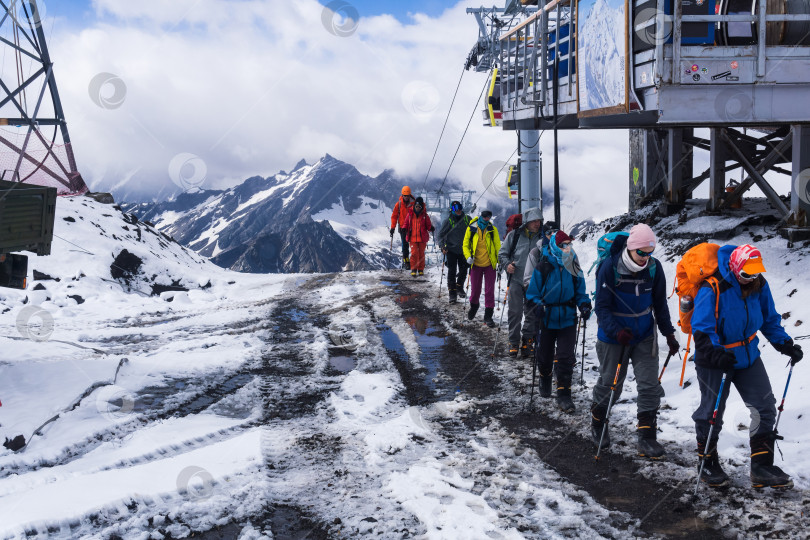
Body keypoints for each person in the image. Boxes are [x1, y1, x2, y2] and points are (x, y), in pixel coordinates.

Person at [691, 244, 803, 489]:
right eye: (746, 274)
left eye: (755, 273)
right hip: (715, 359)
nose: (750, 278)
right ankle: (707, 462)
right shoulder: (713, 289)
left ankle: (762, 466)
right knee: (712, 413)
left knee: (765, 407)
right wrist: (717, 354)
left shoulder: (759, 285)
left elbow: (769, 318)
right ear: (735, 267)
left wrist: (784, 344)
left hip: (748, 355)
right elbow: (702, 329)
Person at [591, 223, 680, 459]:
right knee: (611, 383)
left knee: (650, 385)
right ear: (631, 248)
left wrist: (669, 334)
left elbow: (660, 304)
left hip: (643, 336)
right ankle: (599, 421)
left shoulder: (653, 268)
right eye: (641, 252)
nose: (645, 257)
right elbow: (601, 307)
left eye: (649, 252)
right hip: (614, 338)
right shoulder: (610, 267)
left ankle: (647, 438)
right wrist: (616, 331)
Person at [524, 230, 591, 412]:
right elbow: (532, 293)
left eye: (569, 244)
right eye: (564, 244)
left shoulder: (573, 265)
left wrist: (584, 304)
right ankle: (545, 375)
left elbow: (580, 290)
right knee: (544, 355)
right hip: (546, 316)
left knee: (565, 357)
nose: (567, 248)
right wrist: (537, 305)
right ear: (555, 245)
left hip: (568, 317)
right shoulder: (543, 266)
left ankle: (564, 394)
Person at [498, 207, 543, 357]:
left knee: (531, 313)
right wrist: (507, 265)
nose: (537, 223)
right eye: (534, 221)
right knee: (515, 312)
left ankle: (527, 341)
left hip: (534, 282)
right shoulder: (514, 235)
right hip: (516, 279)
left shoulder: (543, 238)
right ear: (527, 222)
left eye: (539, 221)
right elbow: (502, 254)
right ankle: (513, 341)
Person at [462, 210, 501, 328]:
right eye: (485, 217)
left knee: (489, 291)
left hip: (490, 264)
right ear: (481, 217)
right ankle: (474, 306)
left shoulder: (492, 230)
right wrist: (468, 256)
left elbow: (498, 247)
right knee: (475, 290)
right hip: (476, 264)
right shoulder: (472, 228)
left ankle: (488, 316)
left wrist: (500, 262)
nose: (486, 219)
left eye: (488, 217)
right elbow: (465, 245)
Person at [438, 200, 471, 303]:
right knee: (452, 271)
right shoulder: (448, 221)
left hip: (464, 250)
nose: (458, 210)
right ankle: (452, 293)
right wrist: (442, 246)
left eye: (460, 208)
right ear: (452, 210)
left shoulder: (467, 219)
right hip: (451, 249)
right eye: (456, 209)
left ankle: (459, 287)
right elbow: (440, 236)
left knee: (464, 270)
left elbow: (473, 232)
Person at [402, 197, 433, 277]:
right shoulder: (410, 214)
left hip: (422, 238)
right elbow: (406, 223)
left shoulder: (425, 216)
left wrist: (431, 228)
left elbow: (428, 225)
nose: (418, 208)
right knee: (414, 253)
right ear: (414, 206)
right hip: (413, 238)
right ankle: (414, 268)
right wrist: (404, 228)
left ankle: (420, 269)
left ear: (421, 207)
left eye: (419, 207)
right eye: (416, 206)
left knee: (421, 254)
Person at [390, 186, 415, 268]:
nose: (406, 197)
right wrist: (392, 228)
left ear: (409, 195)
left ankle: (414, 261)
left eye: (407, 195)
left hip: (412, 227)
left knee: (414, 244)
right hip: (402, 228)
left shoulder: (414, 204)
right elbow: (394, 216)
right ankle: (406, 262)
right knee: (405, 245)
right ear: (402, 195)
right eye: (405, 195)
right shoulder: (399, 204)